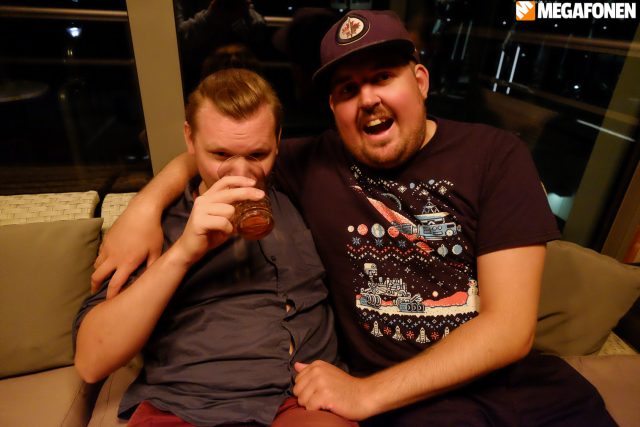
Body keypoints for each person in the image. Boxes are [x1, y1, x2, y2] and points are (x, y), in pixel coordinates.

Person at [93, 10, 616, 426]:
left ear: (420, 80)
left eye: (383, 77)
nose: (367, 99)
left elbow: (508, 328)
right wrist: (144, 208)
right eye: (347, 89)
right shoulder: (312, 163)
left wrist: (366, 394)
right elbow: (226, 151)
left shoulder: (494, 155)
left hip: (517, 390)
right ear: (332, 107)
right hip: (415, 408)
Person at [74, 68, 356, 427]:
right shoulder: (158, 226)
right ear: (190, 139)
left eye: (257, 154)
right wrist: (183, 253)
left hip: (299, 401)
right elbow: (91, 361)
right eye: (221, 153)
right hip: (186, 405)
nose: (241, 173)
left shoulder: (302, 190)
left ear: (278, 141)